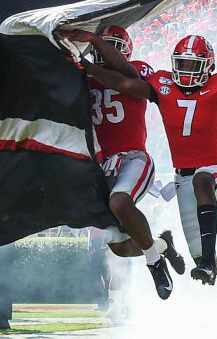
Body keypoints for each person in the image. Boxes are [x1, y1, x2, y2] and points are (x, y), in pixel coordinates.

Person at [88, 34, 217, 304]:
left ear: (208, 67)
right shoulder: (163, 85)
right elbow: (123, 84)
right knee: (198, 258)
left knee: (202, 179)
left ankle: (207, 262)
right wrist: (87, 67)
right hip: (183, 178)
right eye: (182, 64)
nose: (186, 71)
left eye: (192, 65)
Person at [57, 26, 185, 304]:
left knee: (119, 203)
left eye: (113, 46)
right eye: (104, 45)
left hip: (133, 158)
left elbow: (129, 81)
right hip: (102, 167)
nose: (107, 51)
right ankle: (162, 245)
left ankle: (155, 264)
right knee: (121, 248)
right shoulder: (83, 76)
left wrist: (93, 44)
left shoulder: (137, 68)